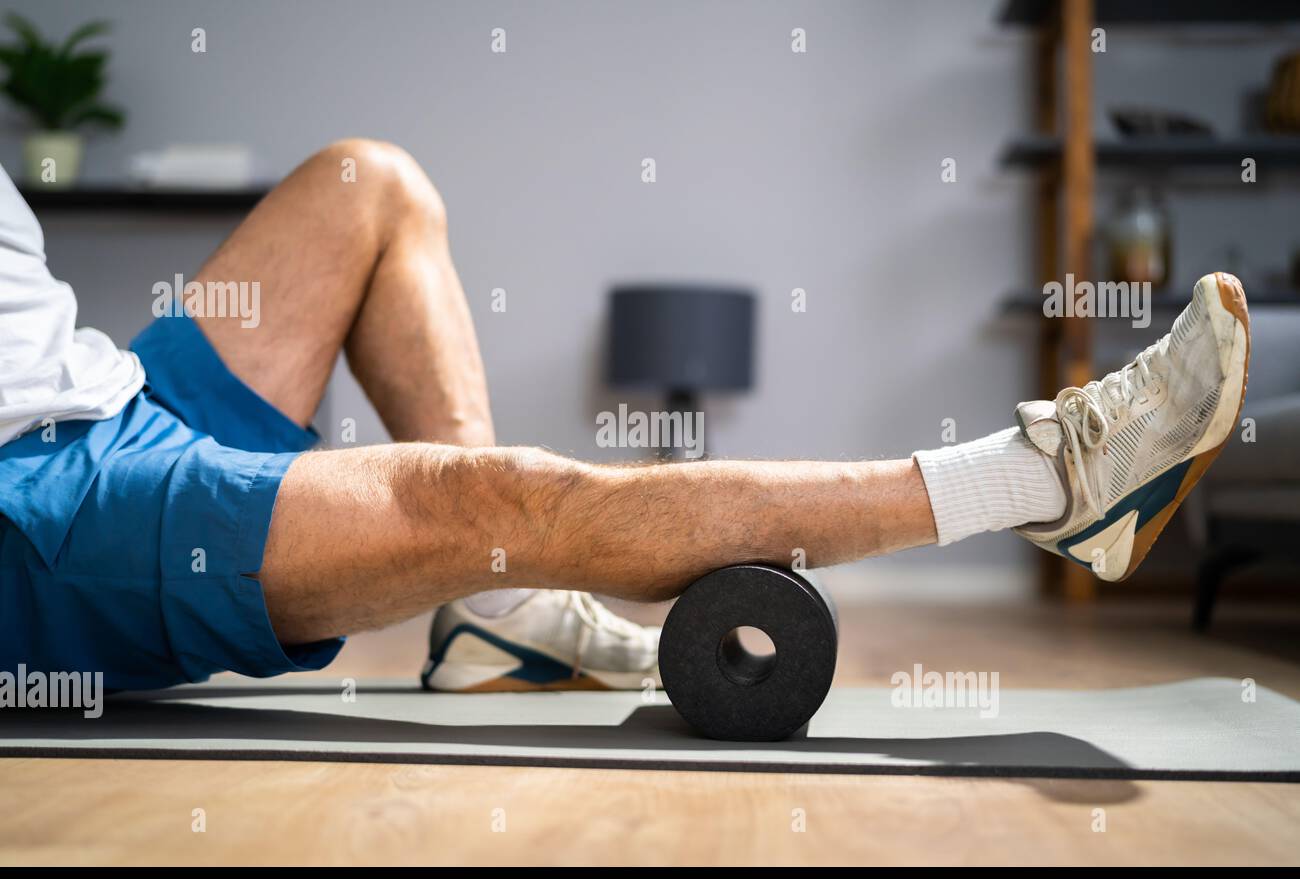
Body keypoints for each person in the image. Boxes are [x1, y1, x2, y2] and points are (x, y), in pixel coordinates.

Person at [0, 141, 1251, 694]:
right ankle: (1048, 485)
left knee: (366, 182)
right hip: (40, 501)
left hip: (107, 392)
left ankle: (493, 620)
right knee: (487, 504)